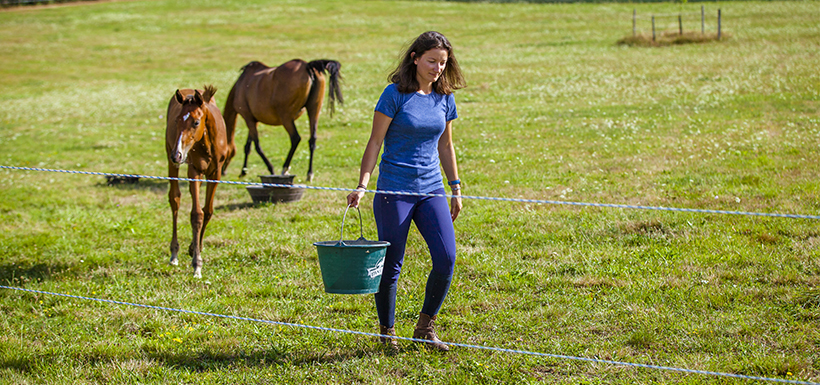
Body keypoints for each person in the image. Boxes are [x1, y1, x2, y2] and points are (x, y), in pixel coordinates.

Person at [347, 31, 466, 352]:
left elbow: (446, 144)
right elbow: (375, 142)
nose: (437, 68)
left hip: (431, 191)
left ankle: (425, 328)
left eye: (443, 62)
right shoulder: (394, 94)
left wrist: (455, 187)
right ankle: (387, 332)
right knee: (392, 264)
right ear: (414, 57)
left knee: (446, 258)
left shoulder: (445, 98)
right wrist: (362, 184)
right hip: (393, 192)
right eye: (431, 61)